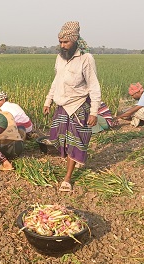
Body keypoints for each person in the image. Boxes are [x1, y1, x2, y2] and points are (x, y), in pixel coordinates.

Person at [42, 21, 101, 192]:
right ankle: (72, 159)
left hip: (78, 106)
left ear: (75, 40)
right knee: (62, 140)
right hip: (62, 106)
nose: (62, 45)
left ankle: (68, 178)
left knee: (76, 143)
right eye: (60, 42)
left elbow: (93, 86)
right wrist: (48, 100)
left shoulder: (86, 58)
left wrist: (94, 111)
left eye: (65, 42)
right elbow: (56, 81)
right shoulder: (60, 58)